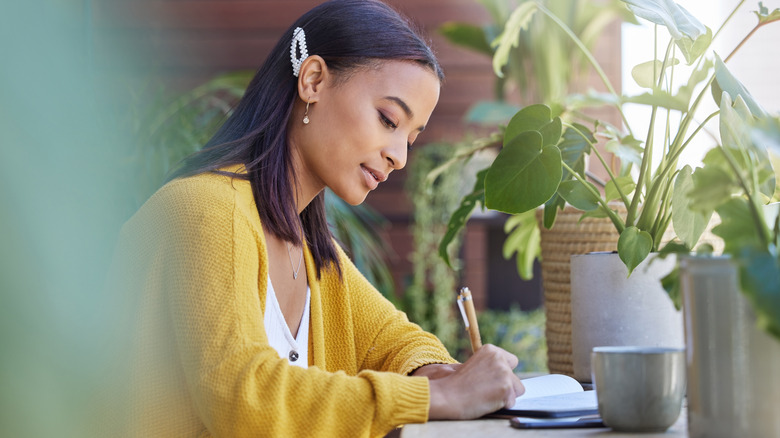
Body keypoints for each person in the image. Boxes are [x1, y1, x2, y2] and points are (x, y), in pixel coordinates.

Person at [111, 1, 524, 436]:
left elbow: (396, 341)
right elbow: (242, 398)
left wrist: (441, 373)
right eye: (388, 119)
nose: (399, 156)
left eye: (410, 137)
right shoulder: (207, 211)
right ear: (312, 80)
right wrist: (439, 396)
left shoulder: (310, 248)